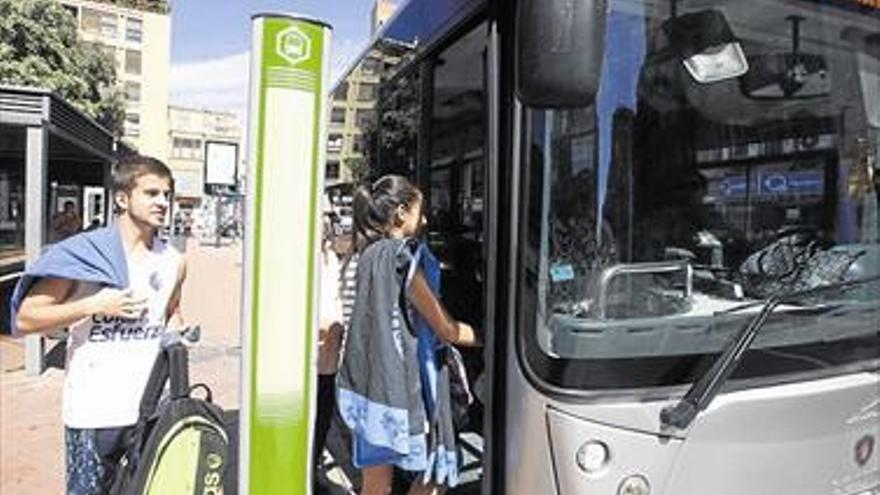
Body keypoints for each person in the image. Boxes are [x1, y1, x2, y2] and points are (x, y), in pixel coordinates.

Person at [11, 155, 187, 495]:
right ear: (122, 198)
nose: (163, 203)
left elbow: (172, 313)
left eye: (167, 194)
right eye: (152, 193)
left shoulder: (174, 261)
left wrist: (178, 336)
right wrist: (95, 304)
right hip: (93, 411)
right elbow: (27, 317)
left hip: (149, 409)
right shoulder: (84, 255)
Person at [336, 175, 478, 495]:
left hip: (366, 383)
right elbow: (446, 328)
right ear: (401, 212)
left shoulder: (366, 255)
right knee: (436, 472)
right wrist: (487, 336)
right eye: (419, 211)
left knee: (375, 484)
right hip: (403, 383)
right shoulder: (402, 257)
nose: (425, 219)